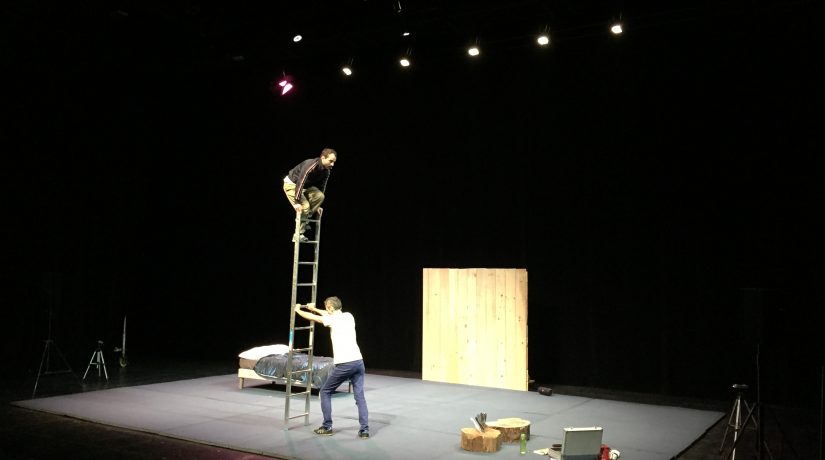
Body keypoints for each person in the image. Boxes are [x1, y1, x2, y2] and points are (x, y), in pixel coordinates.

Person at [294, 296, 369, 439]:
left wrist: (298, 310)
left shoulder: (332, 320)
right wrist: (314, 308)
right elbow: (326, 314)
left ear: (331, 308)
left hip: (345, 364)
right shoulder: (348, 316)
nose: (326, 310)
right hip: (359, 362)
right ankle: (364, 430)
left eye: (327, 308)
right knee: (360, 396)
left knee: (325, 391)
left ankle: (327, 426)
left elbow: (313, 318)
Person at [282, 148, 337, 242]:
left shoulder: (327, 171)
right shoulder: (311, 165)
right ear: (323, 158)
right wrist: (297, 202)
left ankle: (306, 219)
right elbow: (300, 181)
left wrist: (318, 205)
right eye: (330, 161)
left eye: (334, 162)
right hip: (292, 185)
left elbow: (322, 187)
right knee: (305, 206)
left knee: (320, 196)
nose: (332, 164)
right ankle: (298, 234)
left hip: (305, 187)